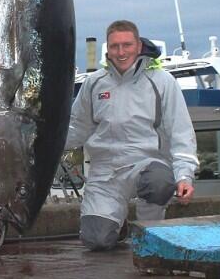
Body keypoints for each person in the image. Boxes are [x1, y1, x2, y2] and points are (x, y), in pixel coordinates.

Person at [65, 20, 199, 251]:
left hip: (147, 164)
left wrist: (184, 176)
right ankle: (118, 225)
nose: (121, 52)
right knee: (96, 241)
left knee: (159, 183)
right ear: (108, 49)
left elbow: (181, 132)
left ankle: (149, 230)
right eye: (115, 46)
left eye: (127, 45)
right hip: (105, 172)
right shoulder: (93, 83)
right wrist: (42, 146)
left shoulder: (163, 82)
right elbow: (78, 128)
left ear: (138, 46)